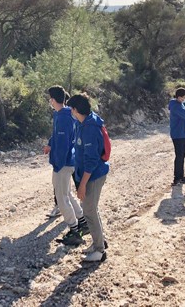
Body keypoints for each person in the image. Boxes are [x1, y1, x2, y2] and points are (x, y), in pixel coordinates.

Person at [43, 86, 88, 245]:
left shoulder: (63, 117)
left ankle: (74, 230)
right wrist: (50, 144)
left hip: (63, 162)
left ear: (53, 100)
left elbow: (62, 144)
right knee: (67, 193)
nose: (49, 101)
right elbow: (56, 136)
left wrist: (57, 164)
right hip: (67, 161)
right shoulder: (61, 114)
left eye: (50, 98)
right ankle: (82, 221)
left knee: (61, 198)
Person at [68, 94, 110, 262]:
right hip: (89, 174)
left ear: (76, 110)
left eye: (71, 109)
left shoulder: (90, 128)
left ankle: (99, 251)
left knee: (89, 211)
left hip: (93, 175)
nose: (70, 111)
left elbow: (91, 160)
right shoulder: (83, 123)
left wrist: (82, 185)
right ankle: (98, 242)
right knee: (91, 209)